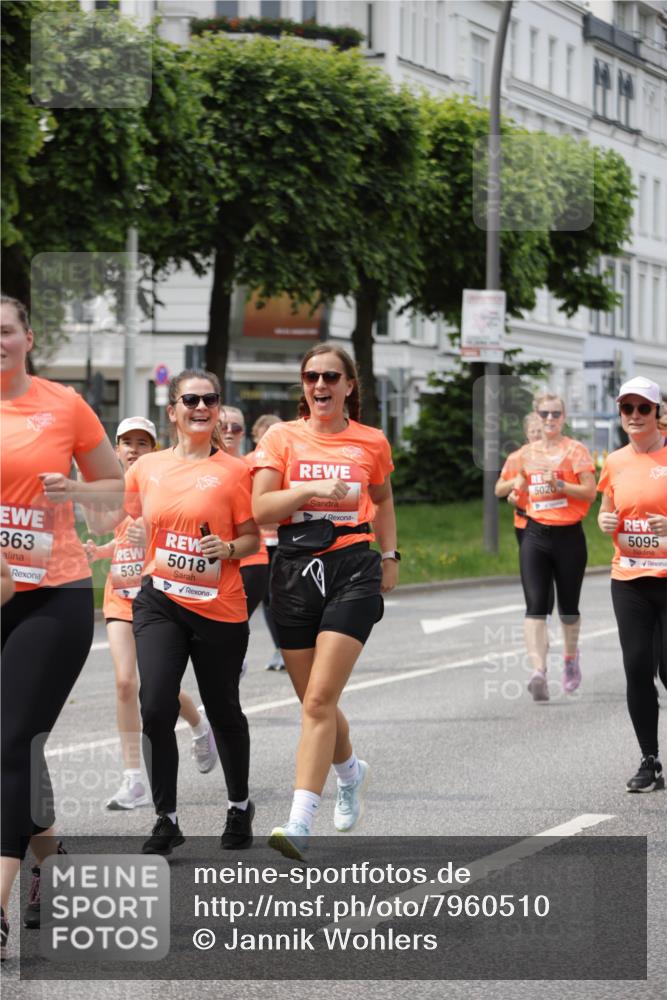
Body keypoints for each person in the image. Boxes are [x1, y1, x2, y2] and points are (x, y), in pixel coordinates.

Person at [0, 295, 123, 957]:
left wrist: (74, 492)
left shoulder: (63, 405)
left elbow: (117, 490)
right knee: (14, 748)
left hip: (52, 595)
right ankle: (53, 855)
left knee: (11, 739)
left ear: (28, 338)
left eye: (6, 331)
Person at [252, 344, 399, 860]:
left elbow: (380, 499)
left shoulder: (370, 441)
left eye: (331, 377)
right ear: (303, 384)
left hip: (352, 568)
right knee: (315, 700)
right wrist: (310, 490)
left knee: (317, 701)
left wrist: (391, 553)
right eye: (312, 376)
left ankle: (298, 821)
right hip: (293, 569)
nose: (321, 385)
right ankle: (350, 771)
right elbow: (261, 507)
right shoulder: (280, 437)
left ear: (349, 385)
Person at [124, 369, 260, 856]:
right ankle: (166, 818)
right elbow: (134, 522)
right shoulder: (146, 468)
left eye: (210, 400)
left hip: (219, 607)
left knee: (223, 708)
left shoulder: (236, 470)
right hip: (160, 600)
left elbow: (251, 539)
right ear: (173, 410)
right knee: (156, 705)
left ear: (218, 408)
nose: (200, 408)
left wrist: (225, 547)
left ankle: (240, 805)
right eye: (191, 399)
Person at [84, 416, 218, 811]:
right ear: (117, 448)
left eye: (142, 443)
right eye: (126, 443)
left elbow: (184, 541)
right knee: (126, 683)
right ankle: (133, 780)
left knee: (156, 686)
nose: (133, 450)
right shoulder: (115, 489)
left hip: (155, 598)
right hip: (117, 598)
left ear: (153, 449)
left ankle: (198, 724)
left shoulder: (162, 485)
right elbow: (105, 527)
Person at [597, 376, 667, 792]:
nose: (636, 416)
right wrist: (605, 522)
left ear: (660, 413)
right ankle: (650, 760)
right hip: (629, 578)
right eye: (628, 409)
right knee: (637, 668)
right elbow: (611, 511)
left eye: (644, 408)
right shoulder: (615, 461)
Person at [513, 393, 597, 701]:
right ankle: (539, 671)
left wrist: (561, 485)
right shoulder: (527, 453)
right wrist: (515, 493)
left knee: (568, 607)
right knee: (535, 604)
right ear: (537, 415)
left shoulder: (575, 451)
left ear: (564, 417)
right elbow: (521, 480)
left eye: (556, 414)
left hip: (569, 536)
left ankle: (570, 659)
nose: (550, 419)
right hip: (535, 534)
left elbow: (590, 492)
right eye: (545, 414)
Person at [220, 408, 285, 673]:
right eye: (223, 426)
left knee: (269, 602)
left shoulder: (252, 467)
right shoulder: (201, 465)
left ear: (244, 433)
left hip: (252, 557)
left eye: (235, 428)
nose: (229, 432)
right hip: (212, 561)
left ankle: (282, 650)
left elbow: (269, 512)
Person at [495, 413, 555, 617]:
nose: (538, 436)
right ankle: (536, 615)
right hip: (525, 523)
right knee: (533, 573)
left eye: (541, 431)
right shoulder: (517, 457)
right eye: (533, 432)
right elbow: (498, 490)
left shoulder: (555, 456)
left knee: (548, 573)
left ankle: (544, 614)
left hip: (551, 521)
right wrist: (517, 483)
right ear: (526, 434)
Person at [251, 414, 285, 671]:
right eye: (264, 436)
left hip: (282, 541)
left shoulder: (287, 464)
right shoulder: (248, 464)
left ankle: (288, 648)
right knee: (267, 598)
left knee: (281, 595)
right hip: (260, 544)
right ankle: (279, 648)